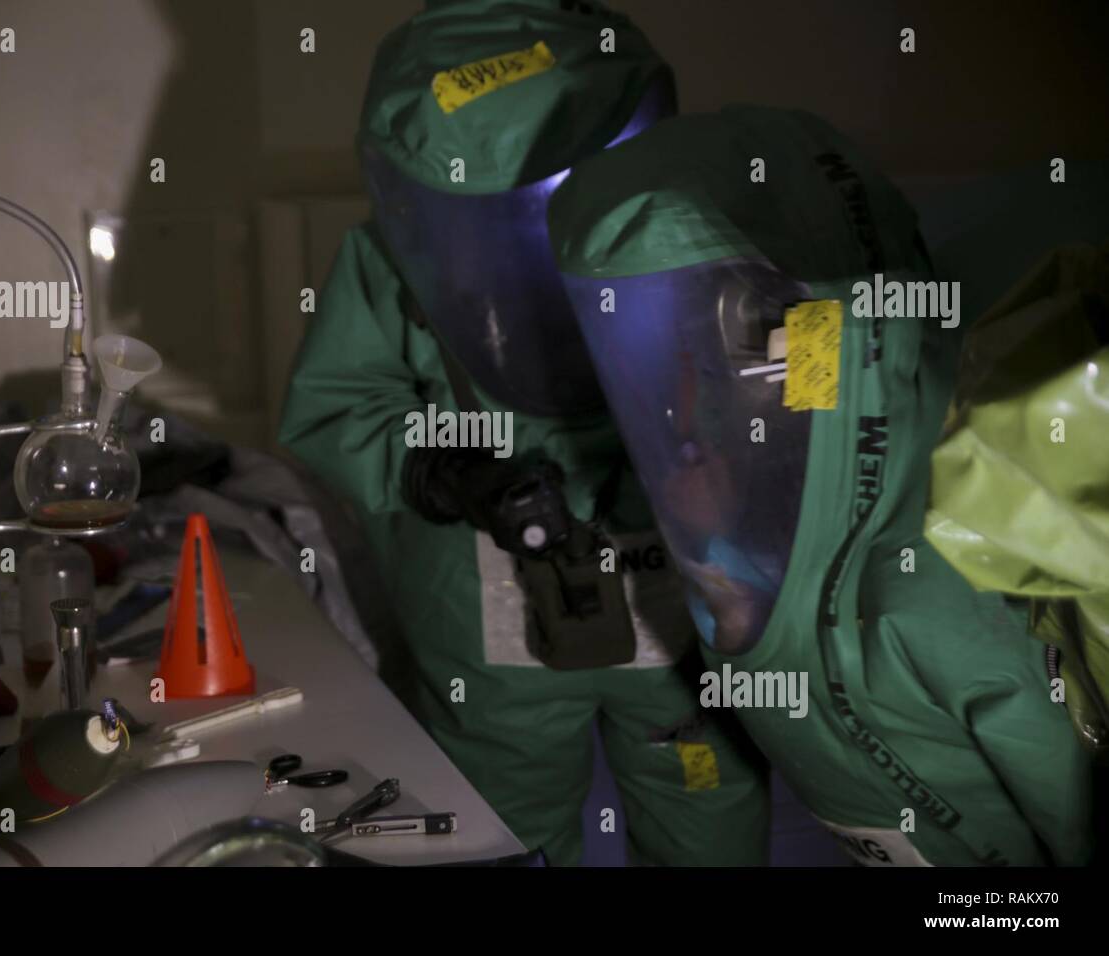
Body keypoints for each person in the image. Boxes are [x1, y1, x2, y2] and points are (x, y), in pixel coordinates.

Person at [279, 0, 769, 865]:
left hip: (679, 592)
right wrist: (439, 469)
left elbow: (766, 387)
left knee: (704, 791)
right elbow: (337, 407)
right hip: (488, 599)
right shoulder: (390, 261)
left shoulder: (702, 231)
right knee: (491, 823)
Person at [546, 105, 1094, 865]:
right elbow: (786, 463)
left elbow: (1068, 804)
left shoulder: (944, 587)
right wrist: (716, 534)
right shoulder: (780, 429)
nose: (688, 420)